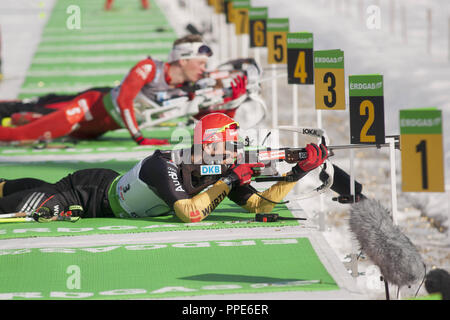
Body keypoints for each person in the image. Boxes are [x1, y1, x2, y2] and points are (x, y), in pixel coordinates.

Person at [0, 113, 329, 223]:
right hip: (85, 194)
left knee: (13, 187)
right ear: (208, 144)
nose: (234, 151)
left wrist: (296, 174)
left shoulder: (222, 171)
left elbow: (260, 206)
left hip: (103, 190)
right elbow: (189, 213)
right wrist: (228, 180)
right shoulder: (165, 163)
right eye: (228, 145)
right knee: (29, 209)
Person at [0, 35, 219, 146]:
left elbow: (209, 121)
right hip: (86, 109)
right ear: (183, 60)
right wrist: (140, 138)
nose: (203, 69)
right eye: (200, 63)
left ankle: (26, 117)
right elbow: (125, 101)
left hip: (97, 130)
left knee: (41, 121)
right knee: (20, 137)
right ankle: (21, 117)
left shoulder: (184, 89)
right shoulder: (149, 67)